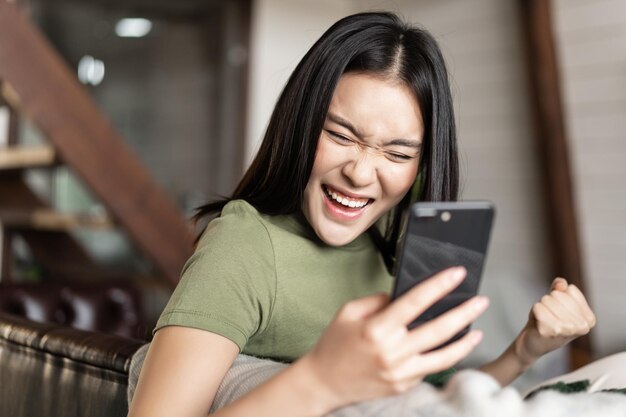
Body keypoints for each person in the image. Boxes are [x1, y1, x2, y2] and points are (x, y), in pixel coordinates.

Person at [128, 11, 596, 417]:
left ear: (421, 165)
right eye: (341, 135)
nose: (360, 173)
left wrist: (525, 349)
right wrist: (322, 381)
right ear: (301, 124)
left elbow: (433, 402)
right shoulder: (244, 246)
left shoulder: (411, 244)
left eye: (396, 154)